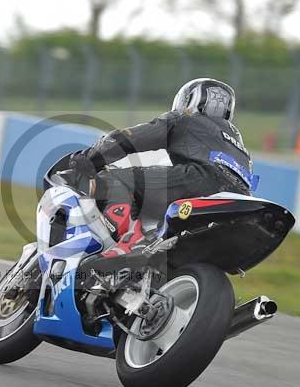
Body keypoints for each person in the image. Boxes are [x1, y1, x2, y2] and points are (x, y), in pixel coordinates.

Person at [70, 78, 257, 257]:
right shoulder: (238, 142)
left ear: (188, 100)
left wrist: (91, 157)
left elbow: (131, 139)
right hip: (241, 197)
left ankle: (127, 242)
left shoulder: (185, 118)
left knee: (113, 180)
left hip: (201, 179)